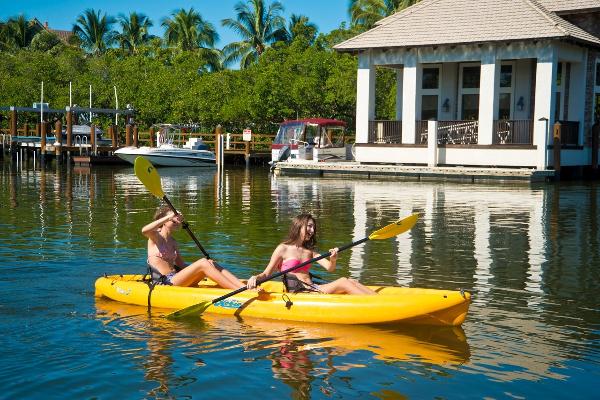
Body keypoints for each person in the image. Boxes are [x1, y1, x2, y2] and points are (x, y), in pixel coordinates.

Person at [247, 213, 376, 295]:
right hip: (298, 292)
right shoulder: (283, 249)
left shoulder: (310, 252)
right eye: (309, 226)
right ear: (299, 226)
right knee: (343, 281)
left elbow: (330, 268)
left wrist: (333, 259)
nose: (312, 230)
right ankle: (375, 304)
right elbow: (266, 274)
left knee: (350, 280)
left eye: (313, 227)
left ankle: (380, 300)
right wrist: (255, 278)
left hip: (312, 288)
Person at [142, 204, 245, 289]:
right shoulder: (155, 236)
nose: (178, 222)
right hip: (164, 283)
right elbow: (144, 230)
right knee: (203, 263)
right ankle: (238, 290)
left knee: (210, 262)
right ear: (164, 221)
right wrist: (168, 217)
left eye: (178, 220)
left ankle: (244, 287)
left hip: (176, 278)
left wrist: (204, 269)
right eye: (174, 220)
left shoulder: (173, 242)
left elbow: (181, 265)